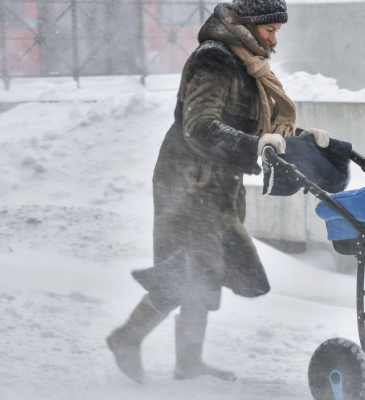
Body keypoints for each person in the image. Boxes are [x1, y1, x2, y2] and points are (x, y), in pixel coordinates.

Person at [106, 0, 330, 384]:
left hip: (219, 180)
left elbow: (255, 125)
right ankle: (127, 338)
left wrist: (301, 139)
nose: (274, 38)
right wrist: (256, 146)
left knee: (206, 269)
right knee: (188, 268)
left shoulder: (247, 60)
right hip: (189, 179)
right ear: (244, 23)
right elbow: (200, 126)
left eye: (277, 30)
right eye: (269, 30)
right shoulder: (214, 58)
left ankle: (186, 362)